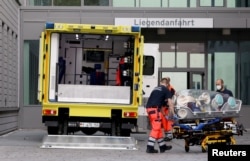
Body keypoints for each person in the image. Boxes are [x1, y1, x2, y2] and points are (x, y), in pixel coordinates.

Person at [145, 78, 174, 153]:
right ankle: (149, 147)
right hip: (155, 110)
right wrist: (172, 112)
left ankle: (162, 146)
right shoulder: (166, 90)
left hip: (149, 110)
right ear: (167, 84)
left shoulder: (155, 89)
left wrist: (163, 114)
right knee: (156, 129)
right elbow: (170, 103)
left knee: (158, 129)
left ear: (161, 83)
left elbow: (157, 101)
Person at [162, 77, 176, 141]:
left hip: (168, 107)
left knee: (169, 122)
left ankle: (169, 135)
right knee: (164, 122)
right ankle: (167, 135)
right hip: (164, 107)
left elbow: (171, 98)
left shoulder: (171, 89)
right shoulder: (164, 88)